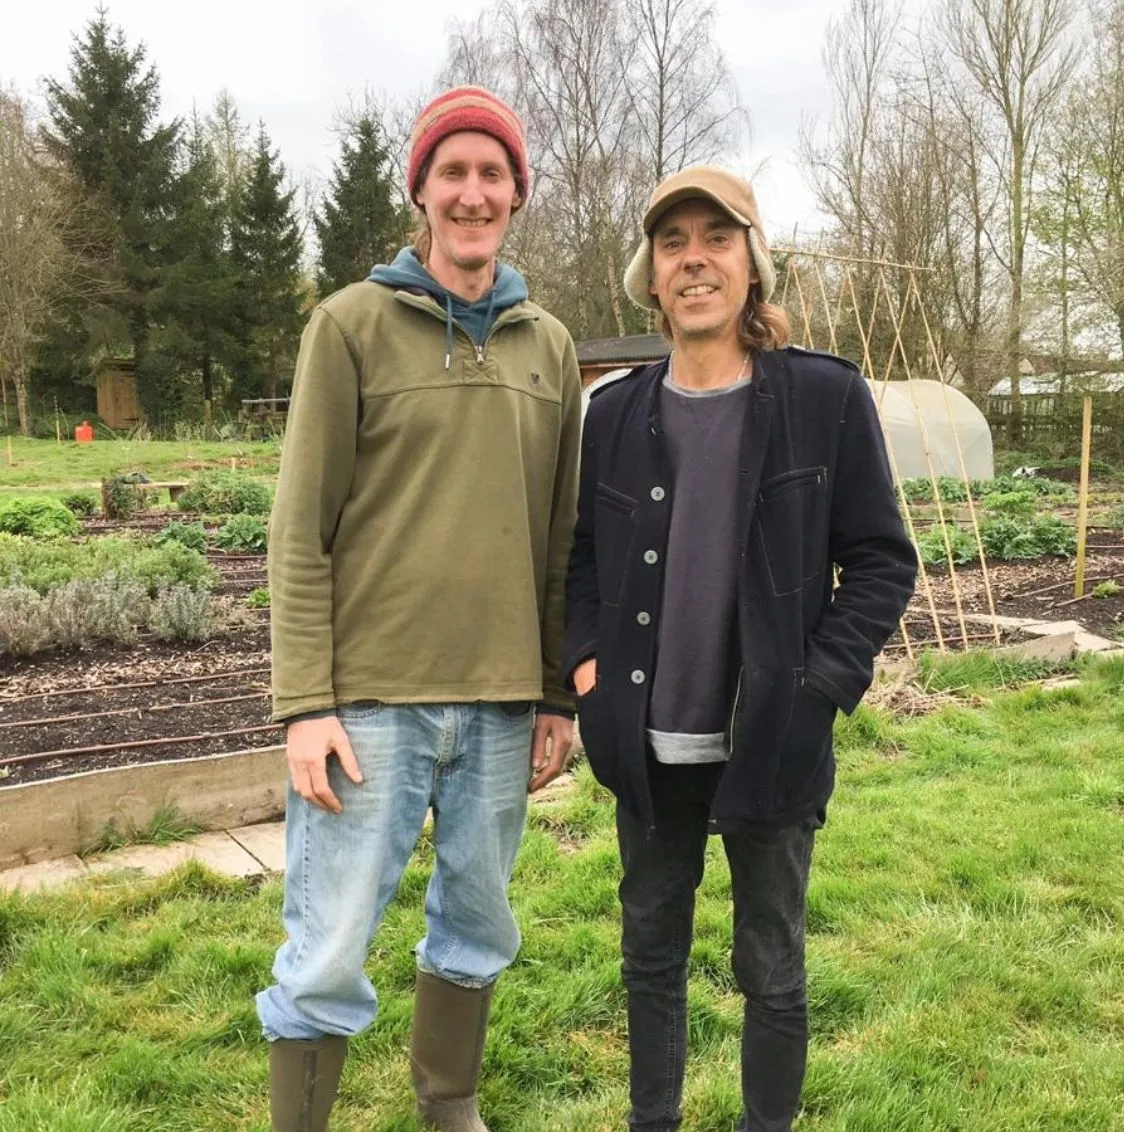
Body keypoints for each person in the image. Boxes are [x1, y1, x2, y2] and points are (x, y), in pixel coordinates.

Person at [564, 166, 917, 1132]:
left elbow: (882, 562)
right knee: (649, 957)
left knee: (771, 962)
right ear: (651, 274)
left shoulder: (822, 398)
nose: (695, 260)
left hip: (774, 734)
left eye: (717, 238)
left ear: (751, 265)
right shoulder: (616, 415)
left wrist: (819, 688)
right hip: (646, 739)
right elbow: (581, 560)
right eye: (673, 242)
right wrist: (590, 671)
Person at [258, 86, 581, 1132]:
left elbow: (558, 543)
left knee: (478, 919)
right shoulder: (349, 326)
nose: (473, 192)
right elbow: (299, 527)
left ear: (517, 195)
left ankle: (449, 1101)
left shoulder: (552, 349)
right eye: (454, 172)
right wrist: (305, 700)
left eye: (493, 174)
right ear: (422, 192)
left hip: (498, 707)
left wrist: (552, 695)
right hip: (368, 708)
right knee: (331, 936)